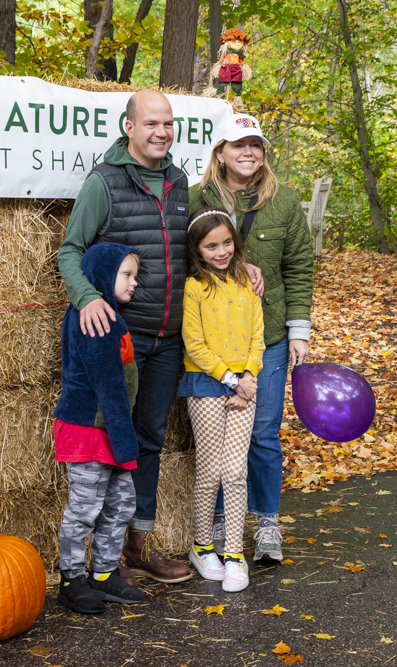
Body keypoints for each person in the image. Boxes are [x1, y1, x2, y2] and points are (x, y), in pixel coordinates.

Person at [57, 89, 200, 584]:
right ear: (130, 127)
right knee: (110, 438)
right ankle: (99, 560)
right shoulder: (105, 182)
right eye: (152, 123)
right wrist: (86, 298)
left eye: (168, 124)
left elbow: (199, 247)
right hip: (124, 337)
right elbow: (70, 251)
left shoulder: (181, 182)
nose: (162, 132)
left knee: (150, 440)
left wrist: (240, 263)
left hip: (169, 338)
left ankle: (138, 545)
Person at [189, 113, 314, 563]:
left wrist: (299, 330)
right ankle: (220, 523)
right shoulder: (193, 199)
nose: (248, 152)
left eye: (255, 145)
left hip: (269, 336)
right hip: (214, 342)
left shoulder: (283, 203)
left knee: (262, 432)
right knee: (219, 438)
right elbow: (182, 262)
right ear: (219, 152)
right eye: (237, 144)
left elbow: (300, 267)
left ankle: (265, 523)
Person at [53, 243, 148, 614]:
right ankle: (71, 578)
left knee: (121, 503)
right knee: (84, 509)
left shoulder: (110, 316)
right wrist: (126, 442)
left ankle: (105, 573)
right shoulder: (94, 319)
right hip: (90, 429)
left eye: (135, 275)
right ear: (104, 277)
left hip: (112, 428)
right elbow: (107, 383)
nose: (134, 282)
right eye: (127, 274)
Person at [178, 207, 265, 592]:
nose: (221, 251)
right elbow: (193, 344)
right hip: (208, 383)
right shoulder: (195, 287)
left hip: (244, 385)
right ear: (198, 250)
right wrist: (230, 380)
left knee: (235, 471)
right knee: (211, 470)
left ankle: (234, 554)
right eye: (211, 246)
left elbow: (257, 338)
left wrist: (248, 377)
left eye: (227, 242)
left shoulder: (247, 284)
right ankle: (202, 546)